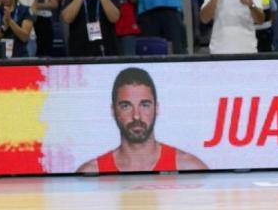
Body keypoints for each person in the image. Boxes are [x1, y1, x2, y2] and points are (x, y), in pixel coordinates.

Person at [77, 67, 207, 173]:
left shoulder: (189, 167)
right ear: (113, 110)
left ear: (156, 108)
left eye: (144, 105)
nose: (136, 116)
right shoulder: (91, 173)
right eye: (126, 106)